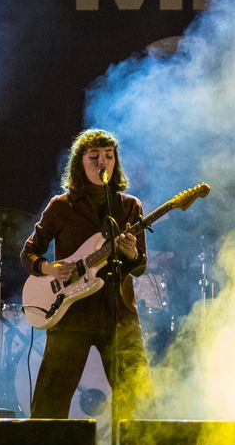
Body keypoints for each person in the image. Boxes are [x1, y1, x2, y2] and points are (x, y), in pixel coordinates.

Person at [20, 128, 153, 423]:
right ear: (80, 163)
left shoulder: (130, 207)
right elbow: (29, 252)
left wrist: (131, 253)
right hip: (71, 314)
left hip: (119, 313)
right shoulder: (61, 206)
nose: (102, 162)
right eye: (94, 157)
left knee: (138, 402)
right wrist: (48, 268)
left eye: (109, 156)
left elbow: (141, 266)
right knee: (49, 402)